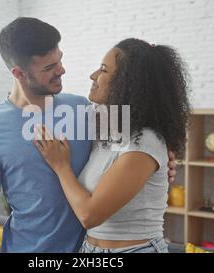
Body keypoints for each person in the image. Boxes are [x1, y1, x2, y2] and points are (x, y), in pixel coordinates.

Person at [0, 17, 177, 253]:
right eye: (49, 68)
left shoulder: (84, 110)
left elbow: (143, 141)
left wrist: (166, 160)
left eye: (59, 60)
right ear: (19, 73)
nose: (61, 70)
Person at [33, 38, 190, 253]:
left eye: (103, 70)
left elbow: (89, 215)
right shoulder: (110, 126)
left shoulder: (145, 141)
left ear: (129, 83)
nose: (93, 76)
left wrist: (61, 166)